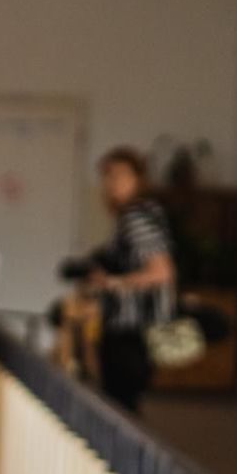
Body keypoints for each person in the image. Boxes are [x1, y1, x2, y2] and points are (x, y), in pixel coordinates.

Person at [85, 147, 176, 413]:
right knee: (122, 404)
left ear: (138, 179)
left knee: (121, 408)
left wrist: (113, 283)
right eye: (109, 176)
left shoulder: (137, 218)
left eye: (123, 175)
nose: (114, 183)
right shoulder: (137, 214)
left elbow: (161, 271)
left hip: (133, 327)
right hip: (129, 326)